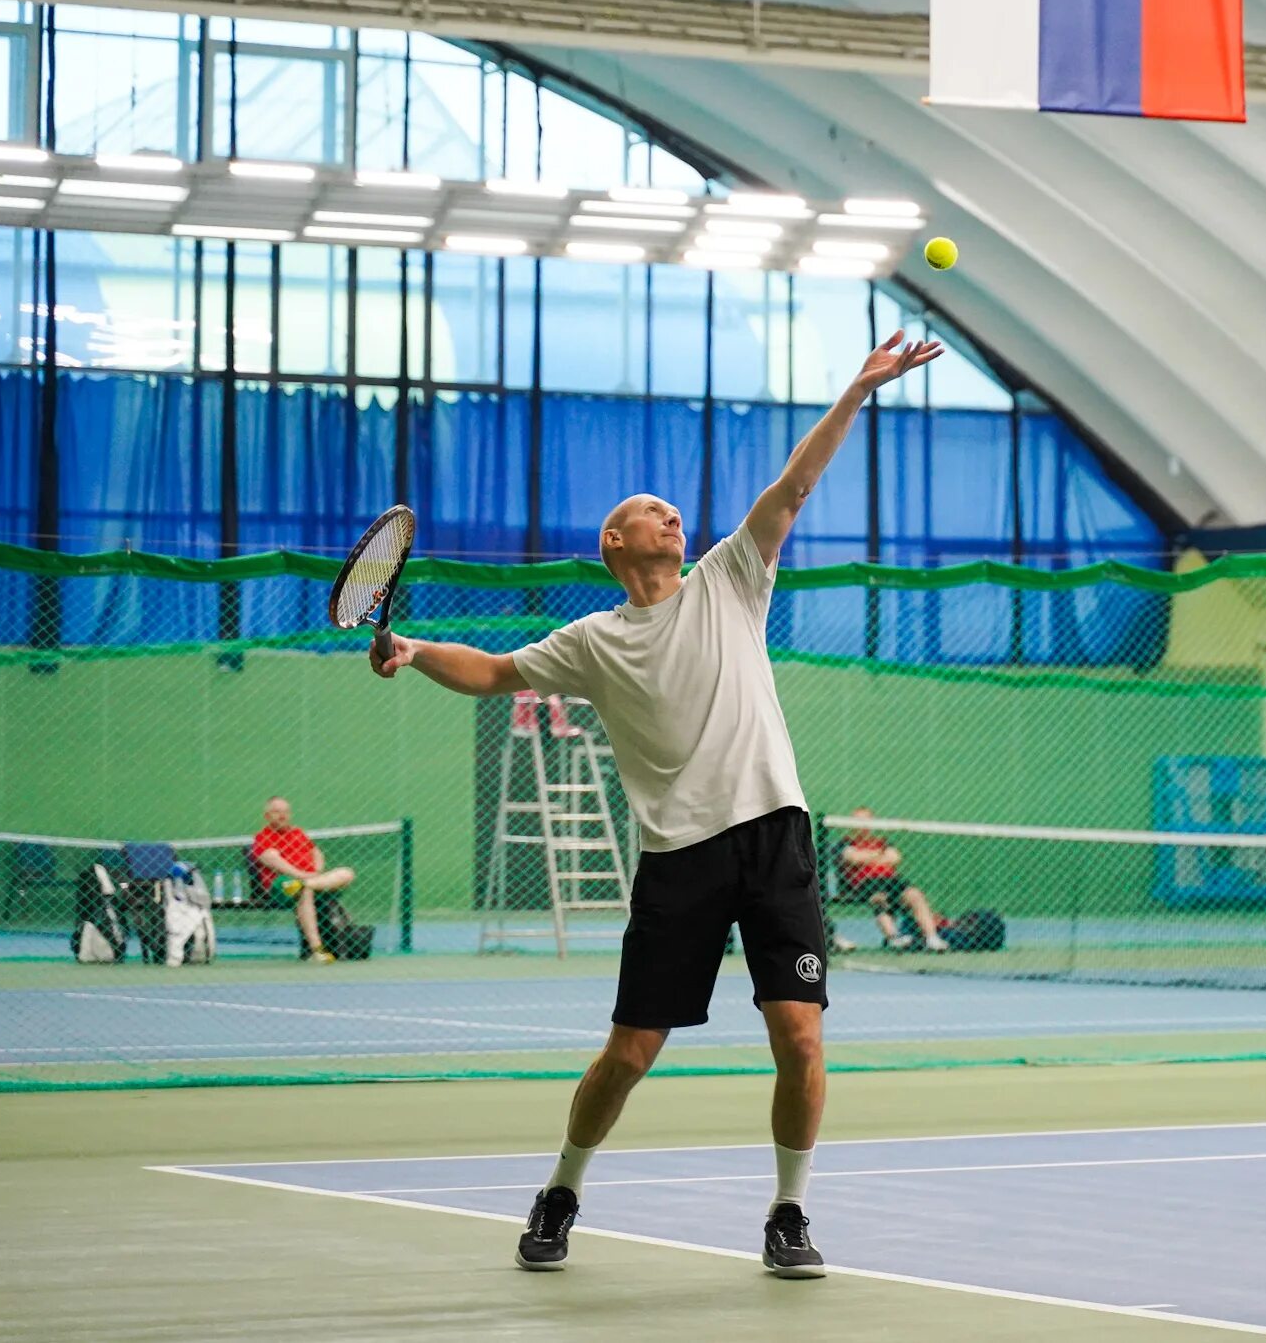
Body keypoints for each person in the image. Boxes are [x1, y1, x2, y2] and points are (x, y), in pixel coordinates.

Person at [372, 328, 941, 1279]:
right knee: (630, 1053)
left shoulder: (731, 577)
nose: (670, 516)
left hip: (774, 836)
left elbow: (795, 485)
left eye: (674, 510)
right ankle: (562, 1188)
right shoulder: (591, 641)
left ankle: (789, 1212)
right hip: (677, 859)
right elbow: (494, 673)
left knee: (800, 1034)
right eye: (649, 510)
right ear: (614, 542)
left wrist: (860, 387)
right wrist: (416, 649)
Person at [248, 796, 356, 964]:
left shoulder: (298, 833)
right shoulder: (263, 837)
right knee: (302, 889)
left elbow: (316, 853)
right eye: (277, 812)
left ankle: (305, 884)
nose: (282, 816)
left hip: (310, 880)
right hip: (282, 885)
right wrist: (300, 874)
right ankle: (317, 950)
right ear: (267, 816)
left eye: (285, 812)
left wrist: (316, 871)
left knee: (346, 873)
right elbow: (269, 858)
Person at [832, 808, 948, 953]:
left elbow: (895, 858)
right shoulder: (844, 844)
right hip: (864, 883)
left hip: (891, 880)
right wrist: (879, 856)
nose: (862, 825)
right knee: (880, 898)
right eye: (858, 821)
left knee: (915, 895)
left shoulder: (882, 842)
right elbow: (853, 858)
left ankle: (932, 938)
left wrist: (868, 857)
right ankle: (893, 937)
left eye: (866, 821)